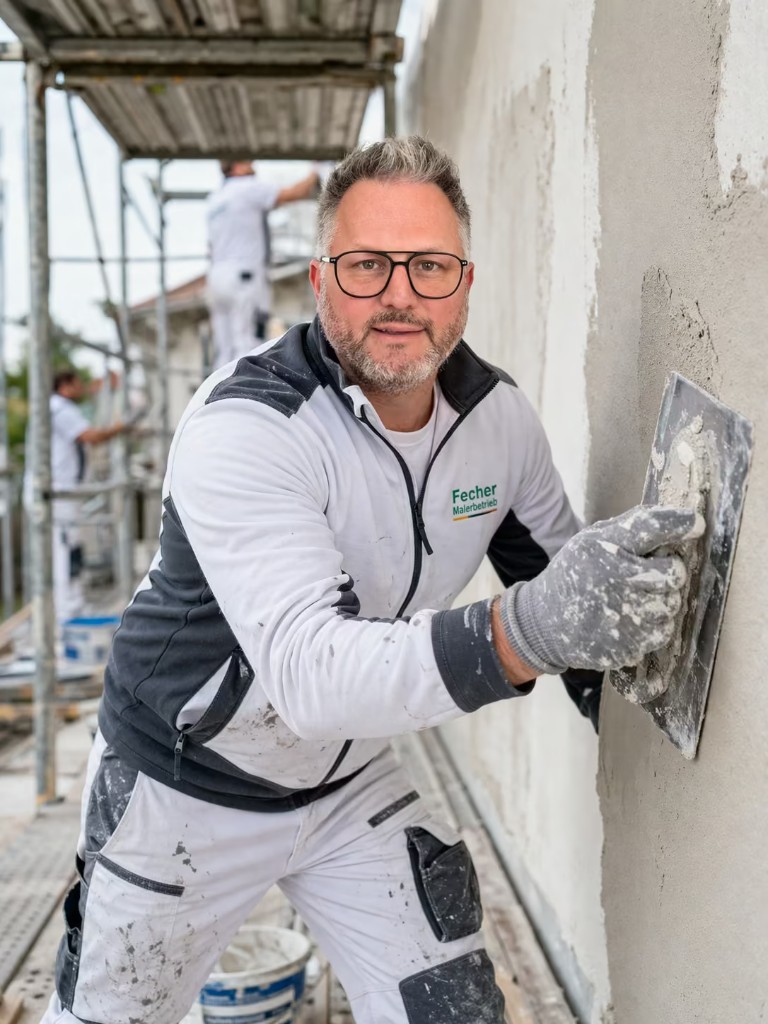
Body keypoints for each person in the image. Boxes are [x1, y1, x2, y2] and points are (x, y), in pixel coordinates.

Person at [41, 137, 699, 1024]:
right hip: (183, 789)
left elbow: (565, 586)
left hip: (345, 782)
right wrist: (530, 630)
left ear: (464, 283)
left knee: (452, 1010)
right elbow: (313, 678)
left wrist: (638, 669)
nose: (399, 294)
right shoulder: (252, 426)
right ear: (319, 280)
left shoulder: (496, 424)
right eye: (366, 266)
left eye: (429, 265)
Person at [24, 369, 130, 626]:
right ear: (65, 385)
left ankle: (72, 605)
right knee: (64, 550)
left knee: (69, 548)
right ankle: (67, 611)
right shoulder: (59, 408)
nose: (81, 388)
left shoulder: (55, 408)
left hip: (61, 492)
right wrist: (121, 427)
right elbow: (89, 436)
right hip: (56, 493)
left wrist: (100, 389)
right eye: (77, 384)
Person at [206, 160, 320, 369]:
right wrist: (317, 170)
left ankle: (217, 393)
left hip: (217, 277)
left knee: (224, 347)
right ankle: (242, 395)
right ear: (237, 166)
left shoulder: (215, 199)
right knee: (248, 342)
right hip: (244, 276)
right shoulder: (248, 188)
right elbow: (293, 193)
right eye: (247, 161)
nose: (253, 165)